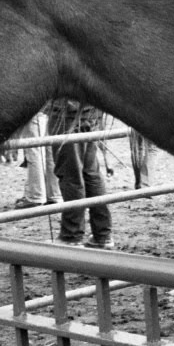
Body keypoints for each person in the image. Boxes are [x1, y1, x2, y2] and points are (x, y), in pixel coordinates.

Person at [46, 98, 112, 248]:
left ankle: (72, 235)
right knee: (91, 173)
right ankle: (102, 234)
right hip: (90, 111)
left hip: (68, 114)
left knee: (71, 174)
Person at [11, 113, 59, 210]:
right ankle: (54, 195)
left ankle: (35, 196)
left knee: (34, 150)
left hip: (36, 111)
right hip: (50, 109)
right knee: (49, 149)